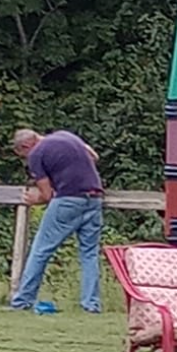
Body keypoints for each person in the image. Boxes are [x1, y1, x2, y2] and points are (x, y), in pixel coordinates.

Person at [8, 128, 106, 314]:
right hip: (94, 198)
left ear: (26, 146)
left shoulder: (36, 154)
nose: (26, 159)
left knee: (41, 250)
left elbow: (47, 195)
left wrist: (33, 199)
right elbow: (93, 156)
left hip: (68, 200)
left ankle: (22, 300)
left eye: (23, 154)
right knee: (89, 254)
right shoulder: (66, 135)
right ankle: (91, 304)